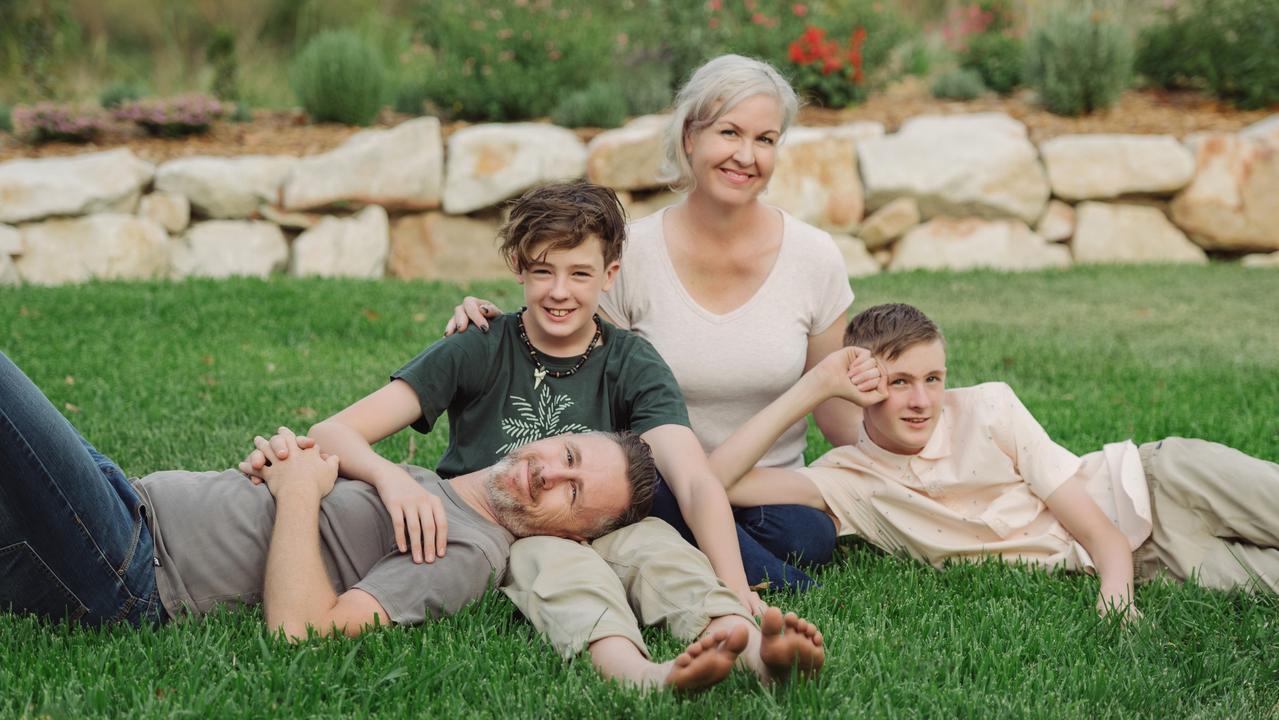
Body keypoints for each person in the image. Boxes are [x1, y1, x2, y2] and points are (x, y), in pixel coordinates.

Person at [245, 180, 833, 690]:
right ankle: (642, 676)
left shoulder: (632, 361)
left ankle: (744, 643)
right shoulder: (478, 343)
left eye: (580, 274)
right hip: (494, 526)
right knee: (561, 570)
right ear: (518, 268)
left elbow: (694, 480)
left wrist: (739, 591)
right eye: (542, 270)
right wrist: (392, 480)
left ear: (610, 274)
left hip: (585, 519)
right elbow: (332, 429)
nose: (560, 292)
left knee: (654, 540)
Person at [446, 54, 862, 590]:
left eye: (765, 139)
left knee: (810, 535)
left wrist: (908, 447)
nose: (746, 155)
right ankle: (766, 579)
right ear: (690, 136)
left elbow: (834, 414)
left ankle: (694, 548)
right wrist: (495, 324)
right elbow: (564, 346)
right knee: (664, 504)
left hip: (759, 488)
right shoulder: (632, 253)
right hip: (653, 482)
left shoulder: (815, 256)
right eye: (729, 132)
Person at [0, 351, 654, 641]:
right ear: (556, 434)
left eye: (572, 494)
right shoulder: (423, 486)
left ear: (569, 536)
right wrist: (299, 465)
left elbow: (300, 631)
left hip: (134, 566)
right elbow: (321, 449)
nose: (550, 475)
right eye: (567, 456)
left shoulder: (469, 552)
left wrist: (297, 493)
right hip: (126, 502)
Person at [711, 303, 1279, 617]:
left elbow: (1097, 530)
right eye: (899, 382)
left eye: (933, 379)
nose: (921, 401)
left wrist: (1116, 597)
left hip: (1163, 480)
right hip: (1162, 557)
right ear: (860, 388)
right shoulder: (846, 482)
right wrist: (813, 387)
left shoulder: (989, 408)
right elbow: (712, 482)